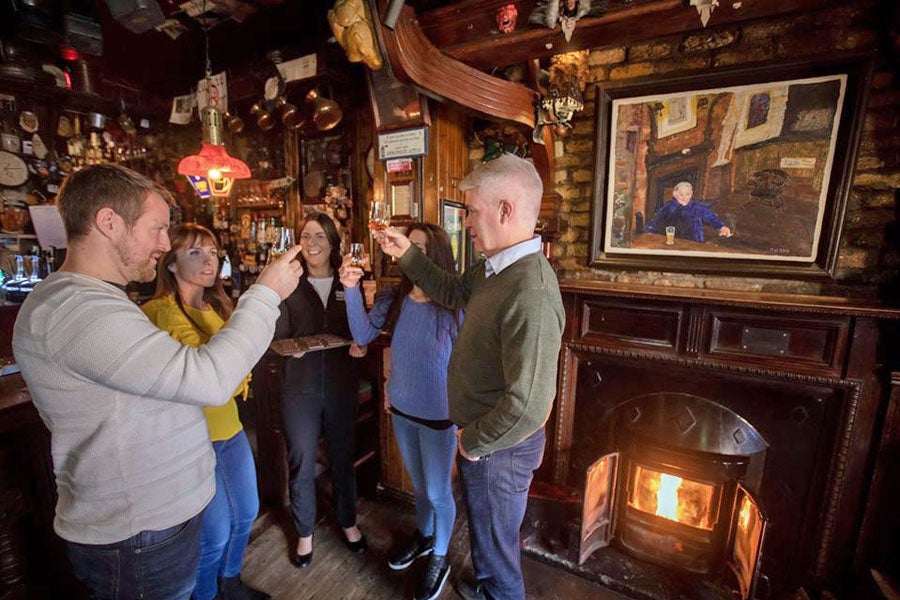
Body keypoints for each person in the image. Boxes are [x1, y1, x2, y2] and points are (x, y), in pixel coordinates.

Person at [12, 164, 303, 600]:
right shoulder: (78, 310)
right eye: (157, 229)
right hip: (138, 539)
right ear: (109, 222)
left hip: (152, 525)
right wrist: (265, 294)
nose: (165, 244)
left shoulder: (97, 301)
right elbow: (209, 379)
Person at [374, 154, 565, 600]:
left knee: (498, 550)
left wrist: (472, 443)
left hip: (500, 446)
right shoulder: (494, 267)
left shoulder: (531, 290)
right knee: (483, 533)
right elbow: (453, 292)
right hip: (483, 439)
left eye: (473, 212)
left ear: (505, 210)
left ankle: (498, 592)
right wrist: (407, 254)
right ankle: (486, 587)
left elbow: (530, 405)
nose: (466, 223)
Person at [142, 224, 269, 600]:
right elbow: (209, 378)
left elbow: (231, 369)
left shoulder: (218, 306)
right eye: (195, 252)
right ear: (170, 263)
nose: (208, 260)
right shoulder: (158, 313)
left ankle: (229, 581)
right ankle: (205, 594)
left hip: (229, 428)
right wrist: (235, 366)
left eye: (213, 252)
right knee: (214, 534)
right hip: (191, 439)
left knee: (247, 512)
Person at [340, 223, 461, 600]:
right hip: (403, 410)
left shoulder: (455, 305)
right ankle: (424, 538)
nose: (412, 254)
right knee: (421, 486)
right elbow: (361, 336)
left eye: (420, 248)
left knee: (440, 492)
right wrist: (349, 289)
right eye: (408, 246)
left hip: (441, 415)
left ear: (437, 256)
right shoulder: (395, 298)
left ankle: (440, 557)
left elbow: (475, 364)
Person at [275, 212, 366, 569]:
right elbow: (275, 330)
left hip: (341, 384)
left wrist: (363, 343)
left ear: (332, 243)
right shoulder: (289, 283)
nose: (312, 243)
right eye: (306, 236)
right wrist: (286, 345)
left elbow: (363, 326)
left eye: (319, 236)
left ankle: (348, 521)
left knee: (343, 456)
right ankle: (304, 533)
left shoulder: (350, 281)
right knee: (301, 460)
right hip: (299, 386)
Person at [644, 181, 732, 242]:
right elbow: (656, 221)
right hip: (675, 241)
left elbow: (710, 217)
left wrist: (721, 227)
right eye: (681, 195)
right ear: (675, 194)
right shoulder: (669, 207)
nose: (685, 198)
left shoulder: (696, 206)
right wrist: (648, 232)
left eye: (688, 194)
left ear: (692, 193)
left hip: (695, 241)